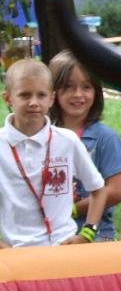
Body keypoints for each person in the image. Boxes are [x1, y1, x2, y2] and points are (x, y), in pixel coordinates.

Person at [0, 59, 107, 248]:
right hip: (15, 253)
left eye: (41, 95)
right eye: (24, 95)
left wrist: (88, 232)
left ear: (51, 98)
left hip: (63, 249)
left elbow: (98, 190)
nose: (34, 102)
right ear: (8, 98)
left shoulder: (68, 140)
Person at [48, 51, 121, 241]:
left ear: (96, 92)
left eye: (86, 87)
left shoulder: (106, 137)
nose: (78, 94)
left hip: (95, 236)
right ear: (52, 92)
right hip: (51, 235)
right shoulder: (45, 137)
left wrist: (70, 210)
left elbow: (116, 191)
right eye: (68, 87)